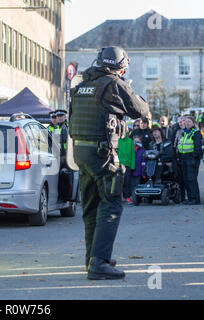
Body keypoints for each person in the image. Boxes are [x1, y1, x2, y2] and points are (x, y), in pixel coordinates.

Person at [69, 45, 149, 280]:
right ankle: (100, 263)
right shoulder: (114, 84)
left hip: (81, 154)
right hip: (102, 155)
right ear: (121, 67)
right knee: (111, 206)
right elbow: (141, 110)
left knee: (92, 207)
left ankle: (92, 258)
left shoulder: (81, 85)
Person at [177, 116, 203, 205]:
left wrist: (194, 158)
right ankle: (190, 198)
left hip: (191, 158)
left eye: (189, 122)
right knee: (186, 179)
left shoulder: (196, 133)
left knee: (192, 179)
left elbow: (197, 147)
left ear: (193, 123)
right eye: (186, 122)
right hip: (184, 158)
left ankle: (195, 199)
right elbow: (181, 145)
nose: (187, 123)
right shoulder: (184, 133)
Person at [173, 116, 187, 202]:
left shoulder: (190, 131)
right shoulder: (176, 131)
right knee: (180, 178)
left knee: (187, 178)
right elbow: (174, 143)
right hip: (178, 157)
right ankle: (181, 197)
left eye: (183, 121)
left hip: (188, 157)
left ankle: (188, 196)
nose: (181, 123)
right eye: (180, 122)